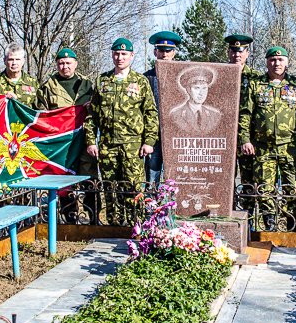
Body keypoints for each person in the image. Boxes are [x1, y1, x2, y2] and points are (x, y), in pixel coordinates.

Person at [85, 38, 158, 225]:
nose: (120, 57)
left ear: (132, 56)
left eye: (124, 54)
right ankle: (114, 226)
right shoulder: (102, 81)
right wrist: (91, 140)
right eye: (117, 53)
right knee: (110, 188)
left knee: (133, 187)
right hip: (108, 145)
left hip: (132, 145)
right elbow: (92, 114)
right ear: (112, 55)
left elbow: (150, 113)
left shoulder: (140, 81)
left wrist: (149, 141)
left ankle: (137, 226)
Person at [238, 47, 296, 231]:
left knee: (292, 189)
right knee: (264, 190)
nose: (276, 63)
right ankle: (269, 228)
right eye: (272, 60)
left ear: (287, 62)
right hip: (262, 147)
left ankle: (292, 229)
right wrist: (245, 139)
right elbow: (245, 114)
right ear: (267, 62)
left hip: (290, 147)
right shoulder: (256, 84)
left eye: (280, 60)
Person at [36, 48, 97, 222]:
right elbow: (41, 114)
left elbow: (97, 109)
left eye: (68, 63)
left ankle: (92, 219)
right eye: (61, 63)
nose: (65, 67)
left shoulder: (87, 85)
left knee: (89, 178)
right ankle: (68, 218)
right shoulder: (49, 86)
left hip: (85, 140)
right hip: (62, 143)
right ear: (56, 65)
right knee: (64, 179)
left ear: (75, 64)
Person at [226, 33, 261, 215]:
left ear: (247, 53)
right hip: (225, 138)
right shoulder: (220, 75)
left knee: (248, 181)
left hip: (247, 139)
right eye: (233, 51)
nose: (237, 55)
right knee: (224, 181)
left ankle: (247, 219)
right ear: (228, 52)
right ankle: (226, 214)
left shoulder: (256, 78)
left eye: (241, 51)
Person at [143, 30, 182, 185]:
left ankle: (175, 208)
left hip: (176, 136)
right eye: (161, 50)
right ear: (155, 52)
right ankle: (153, 208)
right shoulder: (146, 78)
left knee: (177, 178)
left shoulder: (182, 76)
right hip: (155, 136)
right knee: (152, 175)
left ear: (174, 53)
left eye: (168, 51)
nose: (165, 54)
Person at [170, 66, 221, 133]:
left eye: (204, 88)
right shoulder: (176, 114)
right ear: (188, 89)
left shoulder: (215, 115)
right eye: (197, 88)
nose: (201, 93)